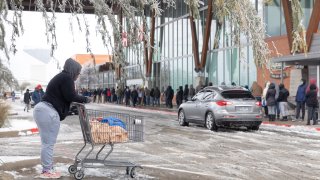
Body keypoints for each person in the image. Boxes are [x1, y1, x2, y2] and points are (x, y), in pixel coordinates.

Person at [33, 58, 90, 179]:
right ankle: (47, 170)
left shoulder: (61, 77)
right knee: (48, 143)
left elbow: (64, 97)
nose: (78, 75)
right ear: (73, 70)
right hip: (48, 111)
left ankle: (47, 168)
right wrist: (85, 99)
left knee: (46, 143)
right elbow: (71, 96)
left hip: (41, 109)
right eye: (78, 72)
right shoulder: (67, 78)